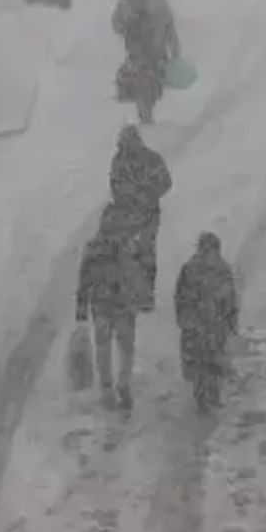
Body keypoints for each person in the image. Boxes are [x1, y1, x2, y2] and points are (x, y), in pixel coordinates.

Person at [76, 223, 149, 413]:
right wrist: (142, 298)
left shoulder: (93, 249)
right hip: (124, 305)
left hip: (100, 304)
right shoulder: (129, 246)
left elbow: (84, 279)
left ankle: (106, 389)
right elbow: (139, 274)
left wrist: (81, 305)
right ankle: (123, 383)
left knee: (103, 349)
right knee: (126, 348)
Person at [174, 232, 239, 413]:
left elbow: (230, 298)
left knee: (212, 361)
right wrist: (185, 318)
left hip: (213, 325)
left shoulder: (220, 270)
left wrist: (230, 319)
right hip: (200, 325)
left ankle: (212, 395)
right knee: (201, 361)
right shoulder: (193, 270)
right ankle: (202, 396)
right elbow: (181, 297)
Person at [109, 125, 172, 307]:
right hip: (127, 215)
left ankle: (146, 295)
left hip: (148, 214)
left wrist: (148, 193)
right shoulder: (118, 161)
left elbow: (166, 182)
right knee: (126, 254)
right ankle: (130, 292)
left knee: (146, 253)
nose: (128, 145)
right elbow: (114, 184)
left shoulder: (152, 159)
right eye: (125, 142)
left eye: (131, 141)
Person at [112, 0, 180, 124]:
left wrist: (174, 47)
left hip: (157, 50)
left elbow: (169, 26)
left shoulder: (159, 2)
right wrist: (125, 24)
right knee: (141, 78)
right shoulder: (127, 2)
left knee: (154, 81)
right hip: (137, 50)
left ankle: (147, 104)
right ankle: (143, 109)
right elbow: (116, 24)